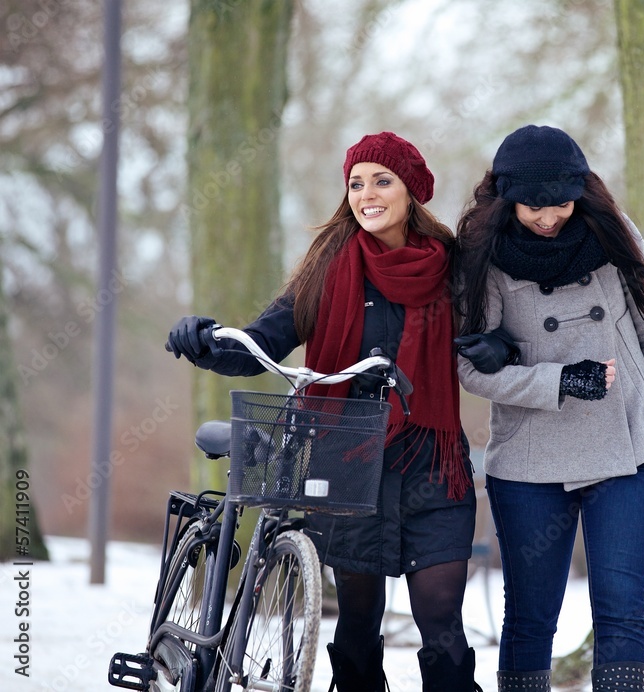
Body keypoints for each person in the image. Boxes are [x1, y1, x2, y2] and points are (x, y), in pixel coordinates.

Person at [166, 132, 484, 692]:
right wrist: (207, 339)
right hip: (348, 457)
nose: (367, 194)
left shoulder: (452, 267)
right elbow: (265, 338)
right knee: (357, 622)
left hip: (432, 466)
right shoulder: (329, 267)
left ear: (410, 191)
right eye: (356, 183)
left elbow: (491, 326)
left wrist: (499, 345)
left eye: (382, 180)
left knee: (441, 622)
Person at [453, 125, 644, 692]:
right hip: (530, 461)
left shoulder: (614, 235)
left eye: (560, 203)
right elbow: (467, 367)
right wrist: (559, 381)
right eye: (533, 206)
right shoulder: (483, 256)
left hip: (627, 451)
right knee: (532, 617)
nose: (547, 218)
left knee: (620, 611)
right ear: (506, 196)